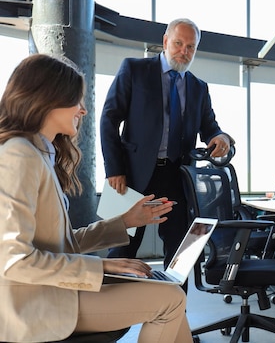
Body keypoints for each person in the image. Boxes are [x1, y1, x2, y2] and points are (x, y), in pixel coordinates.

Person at [0, 54, 193, 343]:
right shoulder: (19, 155)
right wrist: (101, 266)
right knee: (171, 300)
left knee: (171, 294)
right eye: (77, 100)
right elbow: (13, 260)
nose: (84, 110)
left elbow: (60, 244)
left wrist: (125, 221)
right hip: (35, 306)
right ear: (49, 99)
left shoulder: (40, 154)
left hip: (55, 291)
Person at [101, 18, 233, 271]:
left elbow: (210, 127)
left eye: (190, 47)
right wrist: (113, 168)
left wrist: (221, 137)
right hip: (130, 174)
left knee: (183, 250)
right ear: (165, 42)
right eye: (178, 43)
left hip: (178, 176)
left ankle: (178, 309)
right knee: (120, 247)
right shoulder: (134, 69)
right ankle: (106, 303)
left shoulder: (199, 87)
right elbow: (109, 119)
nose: (184, 51)